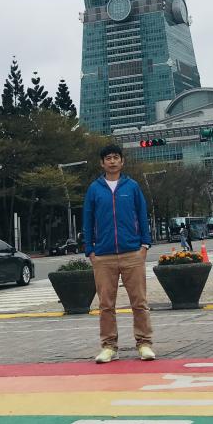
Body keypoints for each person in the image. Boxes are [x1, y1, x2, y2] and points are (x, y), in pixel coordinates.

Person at [83, 143, 154, 364]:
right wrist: (90, 250)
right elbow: (87, 219)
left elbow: (142, 215)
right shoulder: (94, 189)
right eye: (108, 158)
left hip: (132, 252)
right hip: (103, 255)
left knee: (139, 302)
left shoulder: (132, 187)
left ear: (122, 161)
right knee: (106, 304)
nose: (112, 161)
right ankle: (108, 346)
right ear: (102, 163)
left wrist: (145, 245)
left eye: (116, 157)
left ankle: (144, 343)